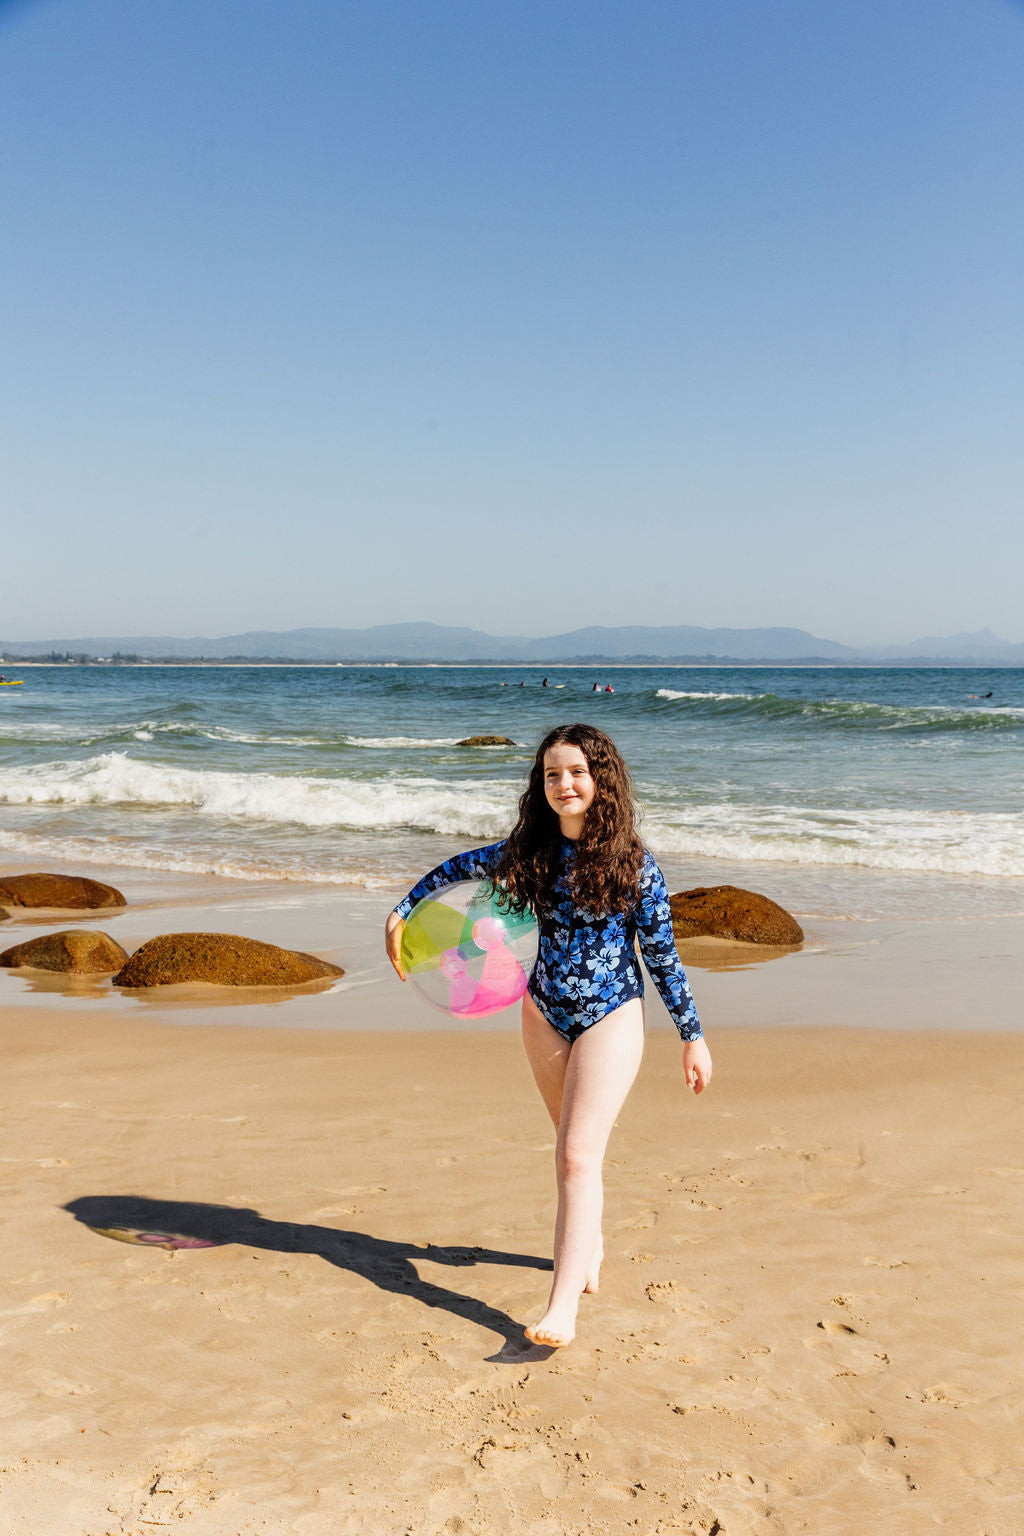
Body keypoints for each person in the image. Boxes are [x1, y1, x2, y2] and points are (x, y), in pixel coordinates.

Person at [385, 723, 711, 1350]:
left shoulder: (635, 865)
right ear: (541, 784)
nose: (565, 783)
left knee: (574, 1156)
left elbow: (664, 957)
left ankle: (560, 1310)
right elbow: (457, 868)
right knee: (573, 1150)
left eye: (578, 772)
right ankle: (589, 1242)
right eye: (552, 774)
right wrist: (402, 911)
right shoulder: (528, 852)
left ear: (602, 781)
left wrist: (691, 1037)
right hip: (542, 1014)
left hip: (612, 1013)